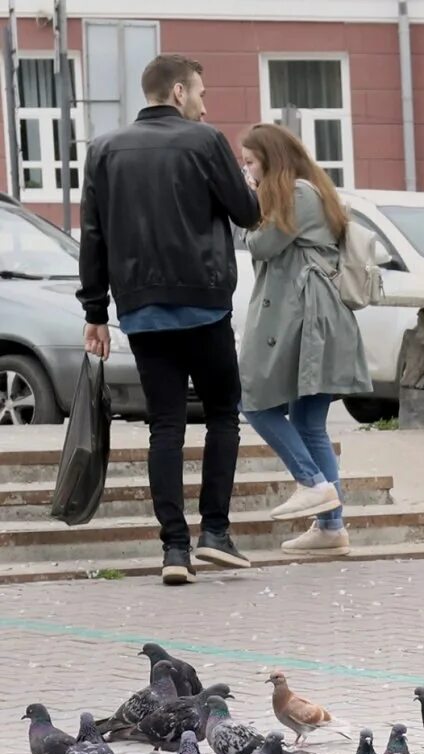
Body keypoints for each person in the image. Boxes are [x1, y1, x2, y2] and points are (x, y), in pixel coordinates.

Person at [75, 53, 259, 585]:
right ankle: (216, 534)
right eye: (200, 91)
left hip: (141, 311)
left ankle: (174, 550)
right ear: (178, 92)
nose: (205, 103)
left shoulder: (104, 149)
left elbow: (93, 234)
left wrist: (95, 311)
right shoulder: (205, 142)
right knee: (223, 415)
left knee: (166, 426)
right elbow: (247, 213)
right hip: (204, 305)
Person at [236, 123, 372, 558]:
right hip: (315, 317)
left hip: (307, 318)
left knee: (254, 403)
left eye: (251, 162)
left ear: (272, 160)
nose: (247, 169)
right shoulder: (310, 190)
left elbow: (261, 244)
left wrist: (248, 199)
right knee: (310, 423)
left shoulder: (297, 195)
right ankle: (332, 527)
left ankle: (312, 484)